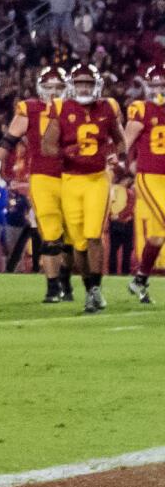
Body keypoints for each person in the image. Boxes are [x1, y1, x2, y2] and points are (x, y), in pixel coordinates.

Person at [43, 61, 125, 314]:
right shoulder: (62, 108)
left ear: (96, 85)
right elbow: (47, 146)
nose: (84, 87)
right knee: (78, 244)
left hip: (97, 179)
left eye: (88, 83)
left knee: (93, 236)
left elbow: (120, 142)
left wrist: (114, 156)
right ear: (72, 86)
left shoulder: (107, 108)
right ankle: (89, 287)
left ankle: (95, 290)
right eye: (79, 83)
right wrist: (65, 152)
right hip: (70, 180)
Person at [5, 66, 73, 304]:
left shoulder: (77, 110)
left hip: (73, 177)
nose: (54, 92)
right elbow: (9, 138)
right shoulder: (30, 108)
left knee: (71, 235)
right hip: (43, 176)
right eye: (49, 88)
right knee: (51, 234)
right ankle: (53, 287)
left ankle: (66, 281)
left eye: (59, 88)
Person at [124, 63, 165, 304]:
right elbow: (125, 141)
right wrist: (124, 162)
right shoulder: (141, 109)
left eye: (162, 84)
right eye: (155, 85)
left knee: (157, 237)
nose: (159, 89)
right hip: (150, 176)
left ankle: (140, 278)